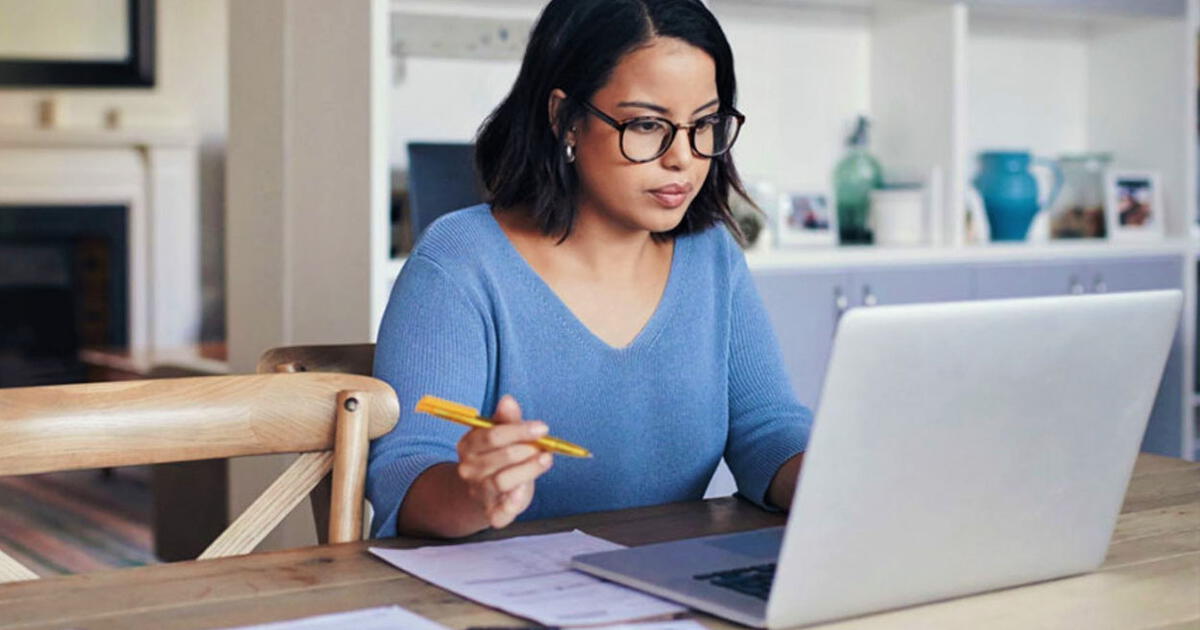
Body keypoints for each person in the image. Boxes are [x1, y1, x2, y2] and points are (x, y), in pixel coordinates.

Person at [368, 0, 812, 539]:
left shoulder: (712, 257)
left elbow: (766, 430)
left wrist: (832, 476)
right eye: (647, 124)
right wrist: (474, 492)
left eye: (705, 124)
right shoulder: (461, 260)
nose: (684, 158)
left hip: (660, 589)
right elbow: (405, 474)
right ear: (565, 118)